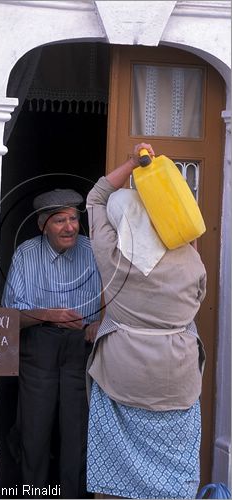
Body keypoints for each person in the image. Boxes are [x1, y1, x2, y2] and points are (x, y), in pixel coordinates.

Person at [85, 143, 207, 499]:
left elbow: (96, 198)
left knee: (114, 467)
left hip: (123, 375)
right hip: (177, 377)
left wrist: (130, 164)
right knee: (176, 463)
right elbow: (199, 298)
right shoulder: (189, 260)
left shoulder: (112, 257)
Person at [2, 188, 102, 499]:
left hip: (81, 348)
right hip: (38, 346)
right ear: (42, 224)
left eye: (73, 218)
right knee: (34, 431)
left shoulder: (94, 251)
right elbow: (9, 317)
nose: (70, 227)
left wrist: (101, 323)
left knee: (76, 432)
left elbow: (118, 298)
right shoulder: (25, 254)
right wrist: (46, 315)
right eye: (60, 220)